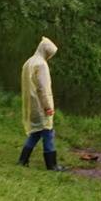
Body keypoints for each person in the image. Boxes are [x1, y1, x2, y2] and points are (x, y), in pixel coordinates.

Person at [18, 37, 60, 170]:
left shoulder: (29, 62)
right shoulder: (41, 65)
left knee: (35, 133)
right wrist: (47, 107)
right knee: (48, 132)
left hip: (31, 104)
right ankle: (52, 165)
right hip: (40, 105)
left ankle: (23, 160)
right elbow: (43, 88)